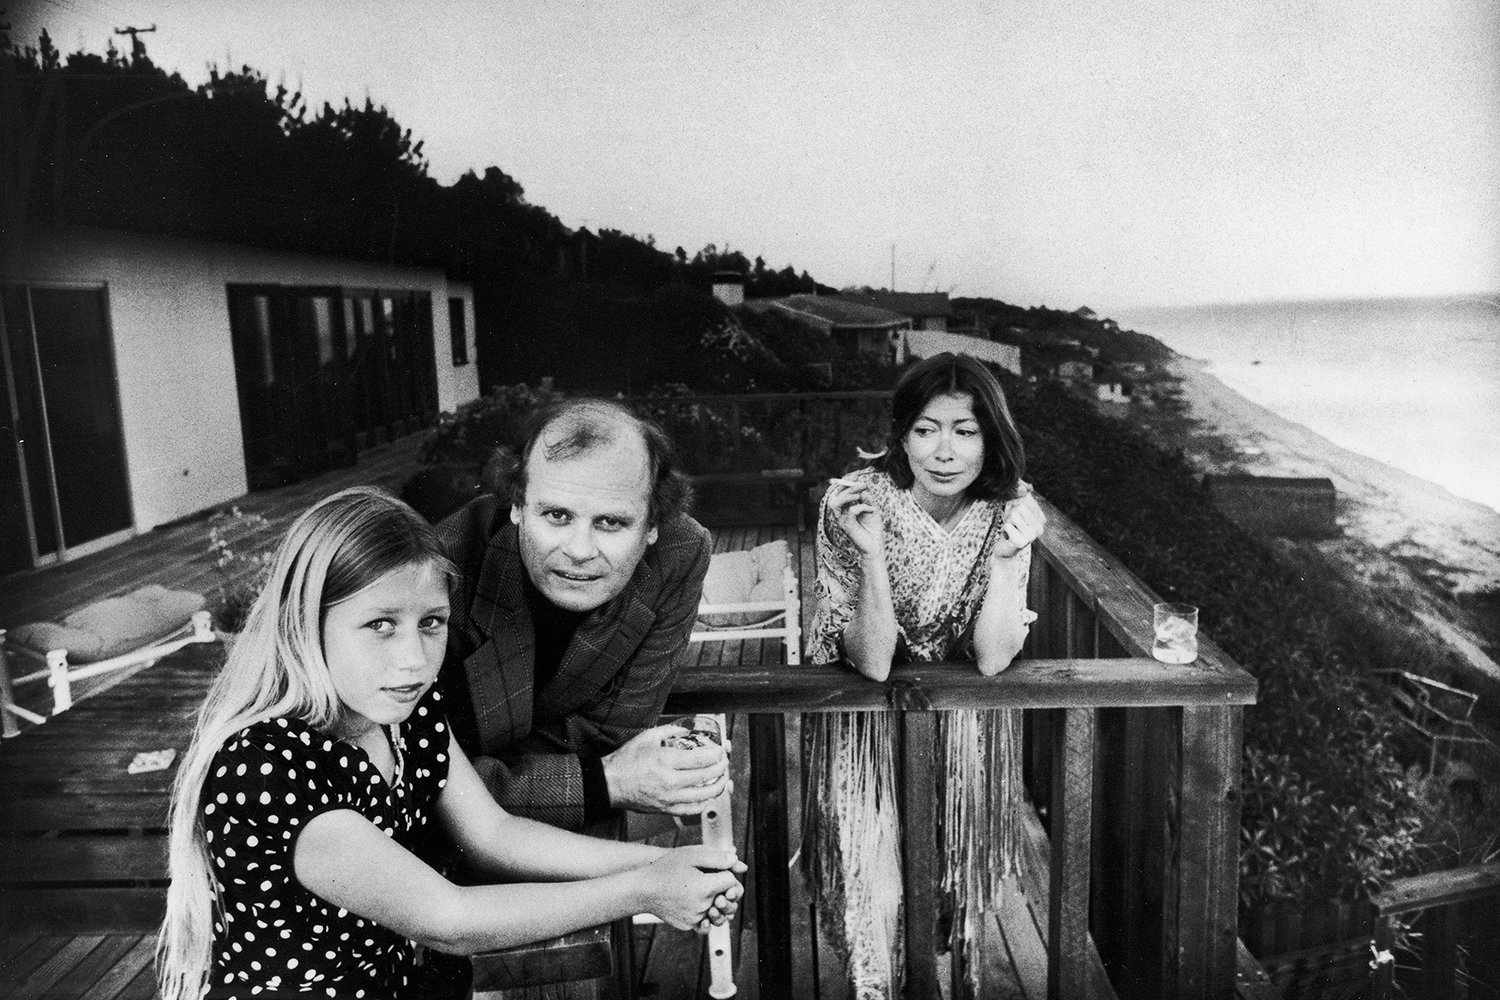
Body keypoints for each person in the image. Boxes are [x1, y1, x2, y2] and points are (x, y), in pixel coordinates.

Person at [156, 487, 744, 1000]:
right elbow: (447, 917)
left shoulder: (402, 713)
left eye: (431, 623)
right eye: (380, 625)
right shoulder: (266, 766)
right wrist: (644, 890)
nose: (414, 659)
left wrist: (666, 865)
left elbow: (494, 835)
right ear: (305, 622)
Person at [804, 352, 1045, 999]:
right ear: (902, 434)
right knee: (872, 890)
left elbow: (993, 657)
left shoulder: (1007, 509)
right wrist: (872, 557)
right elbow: (873, 660)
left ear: (990, 439)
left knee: (949, 889)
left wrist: (1007, 558)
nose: (944, 451)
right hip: (867, 727)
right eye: (926, 429)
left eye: (965, 431)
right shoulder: (854, 501)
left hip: (959, 732)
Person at [435, 398, 724, 832]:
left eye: (610, 522)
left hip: (580, 832)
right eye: (556, 515)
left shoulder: (680, 552)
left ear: (652, 526)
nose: (580, 550)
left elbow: (613, 733)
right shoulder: (443, 570)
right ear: (516, 505)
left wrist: (580, 778)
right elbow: (424, 778)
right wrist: (605, 779)